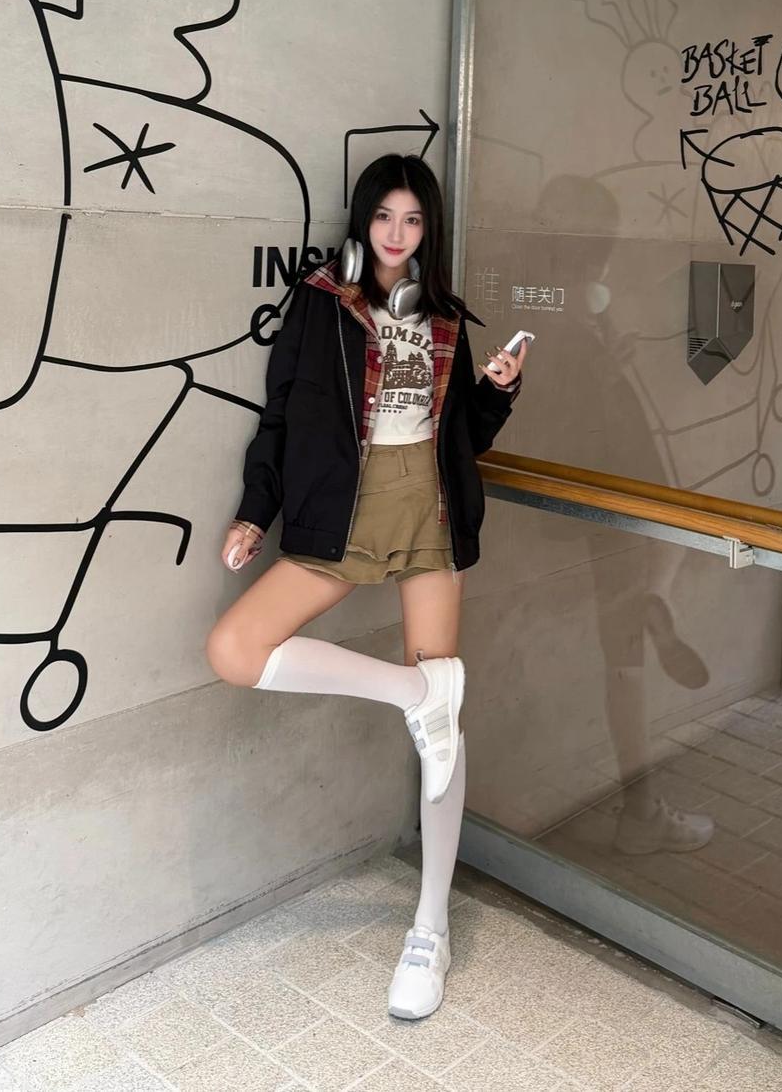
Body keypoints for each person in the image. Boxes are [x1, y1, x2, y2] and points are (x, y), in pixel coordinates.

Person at [206, 154, 527, 1020]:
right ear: (362, 221)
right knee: (235, 648)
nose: (396, 233)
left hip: (428, 511)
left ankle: (431, 926)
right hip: (340, 512)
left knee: (444, 735)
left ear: (429, 231)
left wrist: (497, 393)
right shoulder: (321, 303)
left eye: (412, 219)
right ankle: (412, 693)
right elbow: (280, 416)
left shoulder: (446, 316)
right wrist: (255, 512)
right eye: (384, 216)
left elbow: (465, 438)